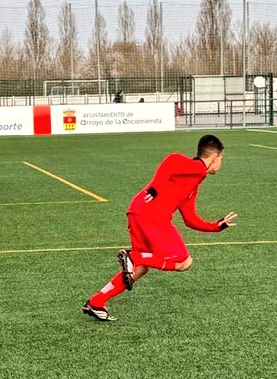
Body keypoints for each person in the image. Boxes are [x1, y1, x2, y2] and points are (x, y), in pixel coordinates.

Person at [82, 134, 237, 322]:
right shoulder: (195, 167)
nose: (221, 163)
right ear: (214, 158)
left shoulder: (194, 183)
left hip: (138, 212)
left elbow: (190, 219)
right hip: (151, 215)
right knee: (184, 261)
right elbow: (171, 160)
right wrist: (155, 187)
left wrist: (217, 226)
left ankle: (96, 302)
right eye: (222, 159)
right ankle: (133, 256)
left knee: (139, 269)